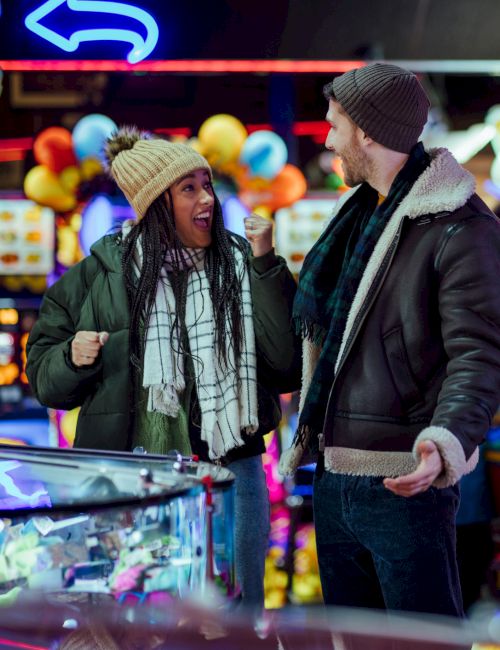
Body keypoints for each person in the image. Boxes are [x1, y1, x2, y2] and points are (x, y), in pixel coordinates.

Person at [26, 127, 300, 615]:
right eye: (188, 188)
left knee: (236, 619)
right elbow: (45, 379)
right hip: (133, 484)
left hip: (232, 476)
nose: (207, 199)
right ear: (154, 203)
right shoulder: (96, 277)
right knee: (138, 619)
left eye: (207, 184)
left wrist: (265, 269)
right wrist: (72, 356)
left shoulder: (243, 262)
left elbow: (286, 368)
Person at [279, 62, 500, 617]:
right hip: (333, 478)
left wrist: (446, 438)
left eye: (334, 125)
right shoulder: (358, 216)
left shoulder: (461, 226)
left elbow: (480, 354)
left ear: (368, 132)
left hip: (404, 485)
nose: (327, 139)